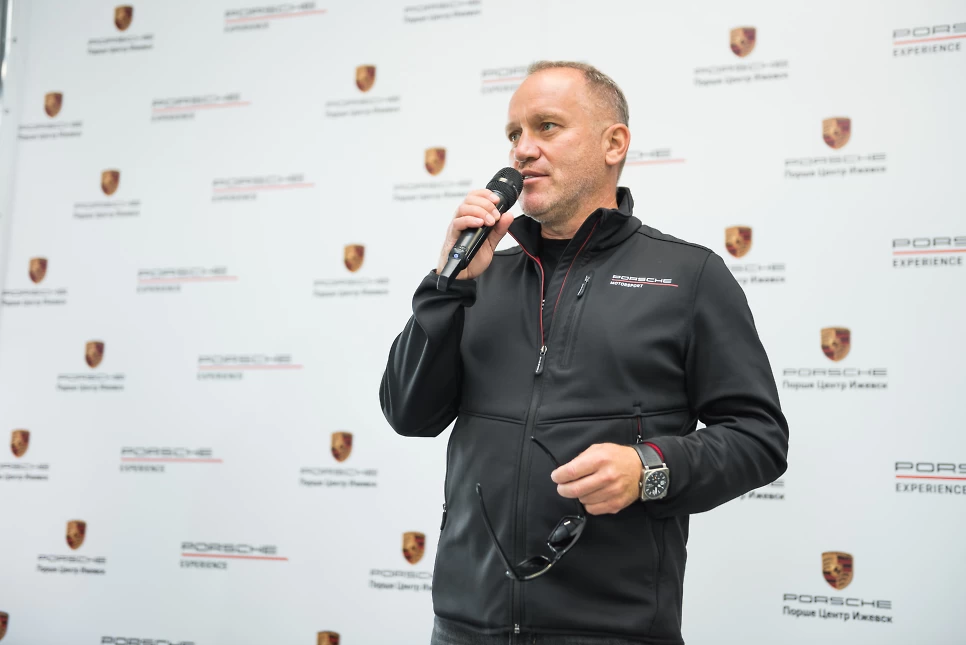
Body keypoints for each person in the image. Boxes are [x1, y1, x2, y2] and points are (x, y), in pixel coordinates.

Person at [379, 61, 789, 645]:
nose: (522, 150)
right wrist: (446, 284)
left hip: (613, 630)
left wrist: (649, 468)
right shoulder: (478, 278)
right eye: (514, 133)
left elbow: (758, 438)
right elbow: (407, 413)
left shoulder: (690, 274)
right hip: (467, 626)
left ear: (613, 144)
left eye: (547, 127)